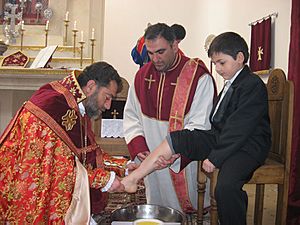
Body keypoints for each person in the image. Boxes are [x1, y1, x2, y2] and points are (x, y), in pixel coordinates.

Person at [122, 32, 272, 225]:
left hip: (247, 147)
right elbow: (219, 124)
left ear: (240, 58)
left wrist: (215, 157)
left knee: (226, 187)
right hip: (224, 139)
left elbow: (239, 128)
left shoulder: (252, 84)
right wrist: (192, 145)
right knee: (180, 138)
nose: (217, 69)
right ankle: (135, 177)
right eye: (215, 63)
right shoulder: (232, 82)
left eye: (221, 63)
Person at [0, 62, 135, 224]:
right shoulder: (53, 107)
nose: (108, 106)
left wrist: (123, 167)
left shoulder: (75, 105)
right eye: (107, 97)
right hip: (29, 193)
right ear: (91, 86)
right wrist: (105, 180)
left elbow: (87, 155)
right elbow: (61, 173)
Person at [123, 23, 215, 214]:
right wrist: (140, 148)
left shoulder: (197, 76)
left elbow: (200, 124)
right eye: (150, 53)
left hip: (181, 159)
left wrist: (175, 154)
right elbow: (131, 116)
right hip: (150, 155)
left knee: (189, 209)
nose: (155, 59)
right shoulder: (142, 76)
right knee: (157, 207)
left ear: (175, 45)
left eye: (160, 52)